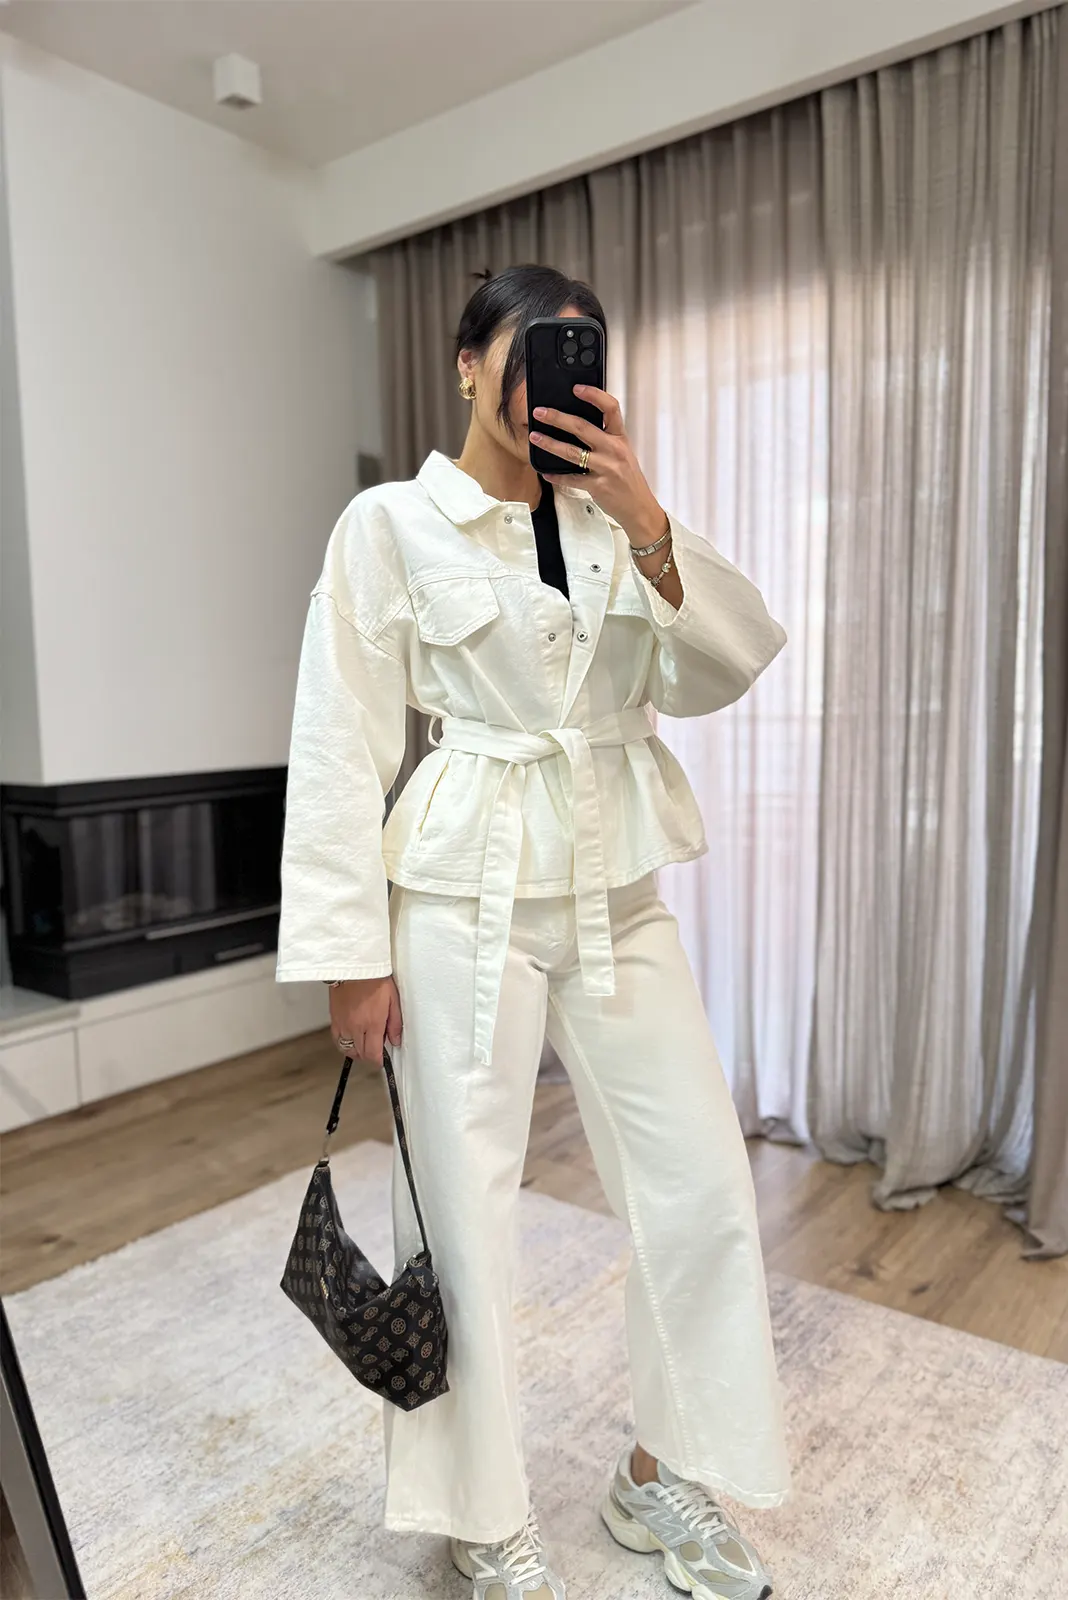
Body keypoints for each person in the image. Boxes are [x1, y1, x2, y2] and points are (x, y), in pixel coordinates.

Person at [276, 264, 792, 1600]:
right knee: (464, 1209)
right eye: (530, 351)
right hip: (462, 891)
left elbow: (725, 664)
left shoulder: (618, 521)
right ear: (467, 363)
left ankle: (660, 1474)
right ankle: (483, 1512)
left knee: (700, 1187)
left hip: (618, 888)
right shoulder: (392, 524)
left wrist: (650, 516)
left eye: (582, 353)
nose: (551, 377)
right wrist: (351, 957)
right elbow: (337, 737)